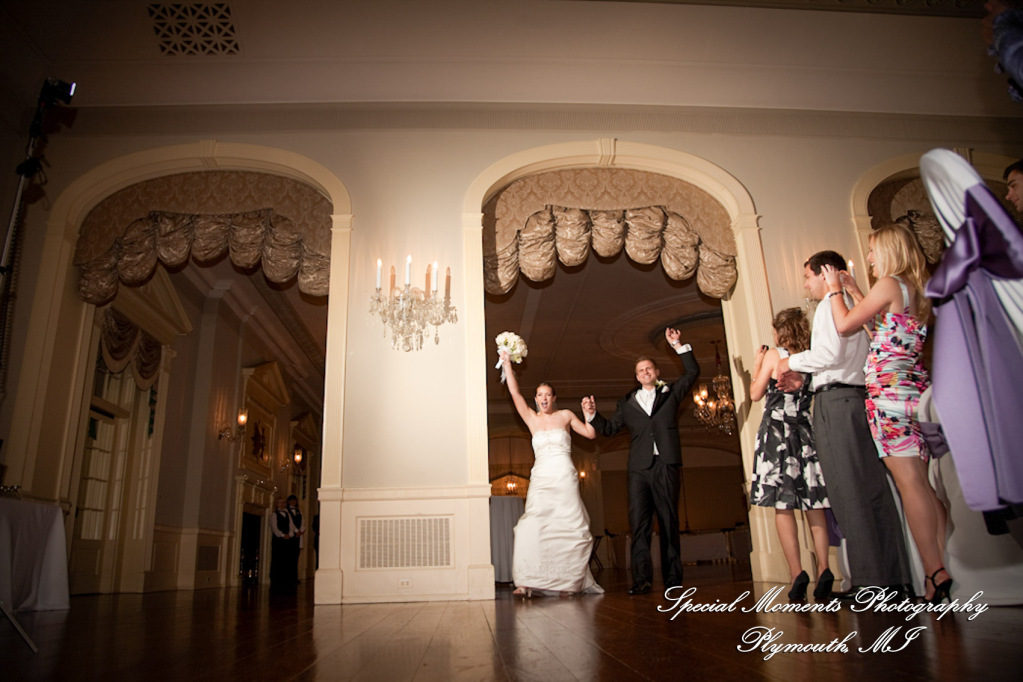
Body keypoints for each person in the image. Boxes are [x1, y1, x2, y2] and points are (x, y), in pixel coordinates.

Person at [822, 224, 952, 604]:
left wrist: (834, 292)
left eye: (873, 249)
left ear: (889, 250)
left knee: (909, 482)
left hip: (888, 394)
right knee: (926, 485)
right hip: (914, 390)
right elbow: (882, 327)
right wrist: (855, 291)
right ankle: (945, 564)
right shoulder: (915, 288)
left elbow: (846, 325)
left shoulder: (890, 282)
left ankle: (933, 572)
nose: (869, 257)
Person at [777, 251, 911, 600]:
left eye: (808, 276)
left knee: (848, 491)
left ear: (825, 273)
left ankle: (870, 583)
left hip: (836, 405)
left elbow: (828, 356)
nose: (806, 284)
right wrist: (804, 383)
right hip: (858, 398)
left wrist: (787, 361)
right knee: (873, 489)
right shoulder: (854, 305)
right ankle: (894, 577)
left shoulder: (828, 308)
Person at [581, 327, 700, 595]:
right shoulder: (627, 403)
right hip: (638, 469)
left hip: (666, 464)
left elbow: (692, 373)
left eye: (649, 369)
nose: (645, 372)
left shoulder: (671, 393)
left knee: (669, 522)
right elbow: (610, 429)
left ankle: (673, 581)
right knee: (639, 524)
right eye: (640, 370)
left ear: (656, 373)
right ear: (636, 377)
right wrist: (592, 415)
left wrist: (677, 344)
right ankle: (642, 580)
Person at [499, 350, 603, 597]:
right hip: (541, 478)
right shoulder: (531, 419)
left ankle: (568, 582)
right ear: (535, 399)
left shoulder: (565, 415)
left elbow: (590, 434)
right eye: (539, 395)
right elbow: (514, 392)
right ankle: (527, 581)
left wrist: (590, 414)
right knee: (533, 526)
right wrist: (506, 364)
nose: (543, 399)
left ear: (554, 398)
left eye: (547, 395)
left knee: (567, 526)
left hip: (564, 476)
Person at [749, 308, 833, 601]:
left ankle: (797, 572)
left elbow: (755, 394)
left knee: (782, 505)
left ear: (780, 332)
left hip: (777, 433)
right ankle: (824, 568)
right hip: (805, 431)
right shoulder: (811, 356)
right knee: (814, 501)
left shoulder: (774, 355)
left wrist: (757, 363)